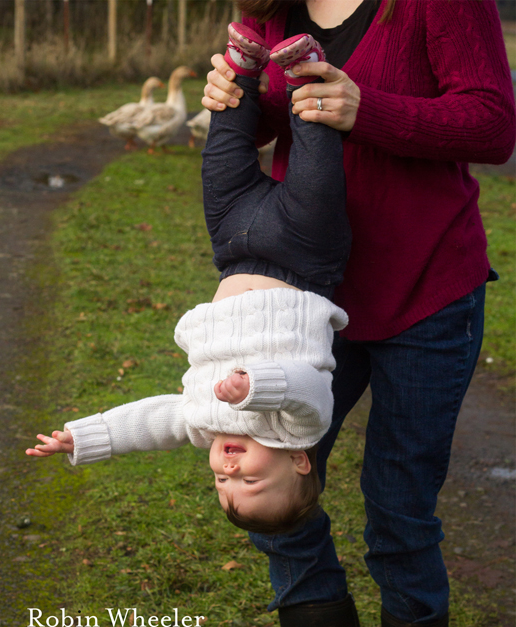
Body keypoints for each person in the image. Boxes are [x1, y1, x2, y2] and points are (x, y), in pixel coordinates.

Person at [202, 0, 516, 627]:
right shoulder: (271, 7)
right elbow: (280, 113)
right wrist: (233, 95)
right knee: (262, 481)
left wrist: (363, 108)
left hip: (424, 290)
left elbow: (490, 124)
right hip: (302, 302)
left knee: (399, 508)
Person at [26, 25, 353, 538]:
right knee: (317, 165)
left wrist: (84, 439)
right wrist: (254, 388)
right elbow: (306, 388)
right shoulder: (298, 428)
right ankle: (303, 73)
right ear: (299, 465)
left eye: (223, 488)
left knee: (222, 161)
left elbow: (154, 421)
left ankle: (239, 69)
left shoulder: (204, 421)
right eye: (250, 483)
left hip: (232, 248)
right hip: (304, 258)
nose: (229, 474)